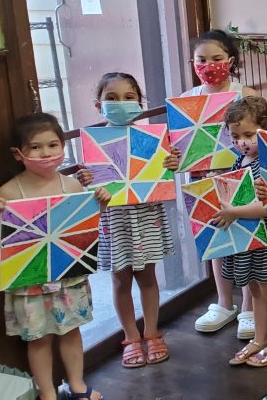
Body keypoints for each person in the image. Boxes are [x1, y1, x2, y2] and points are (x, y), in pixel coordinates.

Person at [0, 113, 109, 400]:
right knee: (38, 339)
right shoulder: (9, 192)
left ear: (63, 146)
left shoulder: (72, 186)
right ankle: (47, 392)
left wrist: (99, 204)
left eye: (53, 145)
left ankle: (77, 385)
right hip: (31, 280)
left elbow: (83, 231)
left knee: (72, 332)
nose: (46, 153)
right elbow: (3, 245)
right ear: (19, 153)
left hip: (68, 276)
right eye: (36, 147)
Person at [77, 73, 173, 368]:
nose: (121, 103)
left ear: (140, 103)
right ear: (98, 104)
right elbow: (90, 188)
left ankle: (152, 332)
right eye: (112, 98)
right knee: (120, 279)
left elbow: (163, 173)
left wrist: (170, 163)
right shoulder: (95, 145)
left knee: (147, 276)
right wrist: (86, 180)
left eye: (129, 97)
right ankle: (131, 338)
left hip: (146, 214)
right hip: (113, 219)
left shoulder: (151, 141)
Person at [178, 29, 259, 339]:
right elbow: (180, 144)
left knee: (247, 241)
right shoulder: (187, 100)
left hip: (243, 177)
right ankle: (224, 303)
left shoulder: (246, 93)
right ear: (192, 63)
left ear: (230, 61)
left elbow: (264, 134)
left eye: (216, 58)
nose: (209, 65)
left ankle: (250, 307)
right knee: (215, 241)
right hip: (203, 179)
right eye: (201, 60)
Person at [212, 96, 267, 368]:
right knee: (255, 290)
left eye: (249, 134)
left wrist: (233, 212)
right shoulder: (241, 160)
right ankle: (260, 338)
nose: (242, 141)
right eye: (236, 136)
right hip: (247, 239)